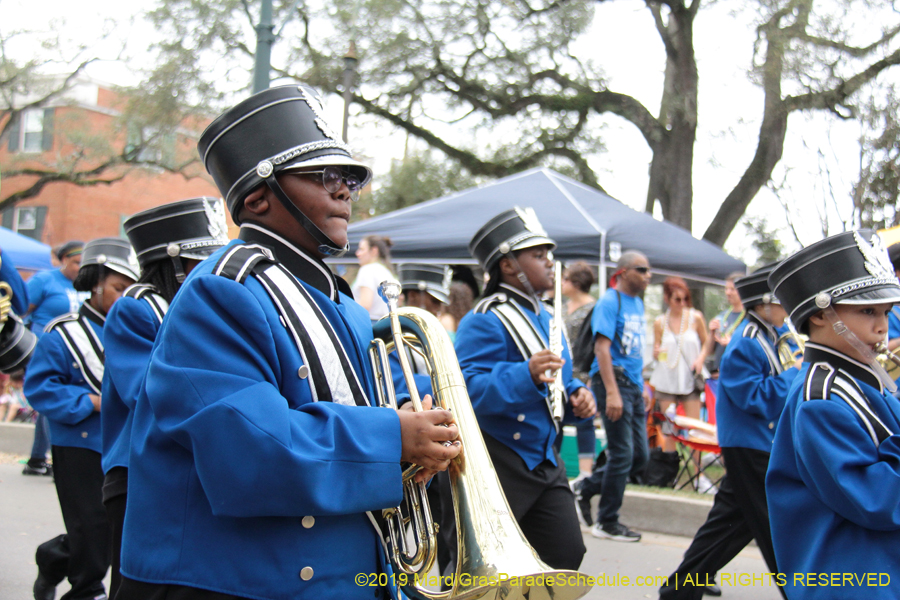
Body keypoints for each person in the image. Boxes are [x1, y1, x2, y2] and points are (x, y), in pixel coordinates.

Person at [117, 85, 460, 600]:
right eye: (326, 177)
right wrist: (393, 437)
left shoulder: (339, 298)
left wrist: (417, 420)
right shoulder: (221, 290)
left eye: (349, 180)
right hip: (237, 580)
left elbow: (367, 405)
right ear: (257, 197)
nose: (345, 190)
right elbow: (249, 451)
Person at [101, 197, 229, 598]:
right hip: (138, 469)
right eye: (200, 262)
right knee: (137, 583)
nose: (212, 270)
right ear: (173, 266)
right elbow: (150, 391)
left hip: (185, 464)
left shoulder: (202, 310)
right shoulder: (136, 309)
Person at [454, 206, 595, 570]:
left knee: (565, 555)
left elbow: (558, 375)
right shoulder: (483, 319)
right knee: (481, 567)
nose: (550, 262)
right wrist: (525, 374)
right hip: (501, 460)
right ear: (508, 265)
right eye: (538, 255)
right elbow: (467, 390)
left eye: (548, 254)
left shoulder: (548, 315)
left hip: (546, 457)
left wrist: (577, 390)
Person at [766, 230, 900, 599]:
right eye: (868, 311)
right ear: (822, 316)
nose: (882, 326)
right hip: (856, 580)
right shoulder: (821, 399)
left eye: (886, 312)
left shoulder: (862, 379)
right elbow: (876, 500)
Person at [658, 264, 796, 599]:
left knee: (732, 524)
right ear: (763, 304)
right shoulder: (747, 342)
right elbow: (754, 398)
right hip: (749, 444)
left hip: (758, 442)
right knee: (771, 525)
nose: (787, 306)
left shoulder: (769, 336)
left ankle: (679, 589)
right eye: (781, 301)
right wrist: (797, 376)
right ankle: (804, 591)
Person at [25, 237, 139, 600]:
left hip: (125, 444)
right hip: (80, 443)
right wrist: (91, 402)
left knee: (112, 529)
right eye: (119, 288)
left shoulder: (139, 330)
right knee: (91, 527)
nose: (124, 297)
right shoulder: (63, 333)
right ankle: (84, 591)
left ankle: (54, 559)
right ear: (97, 283)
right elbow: (40, 389)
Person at [575, 251, 651, 542]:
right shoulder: (610, 301)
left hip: (632, 384)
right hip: (612, 382)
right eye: (641, 270)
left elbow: (635, 350)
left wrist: (641, 385)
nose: (648, 275)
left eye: (648, 271)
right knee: (622, 454)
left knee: (639, 456)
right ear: (623, 272)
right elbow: (602, 350)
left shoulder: (638, 304)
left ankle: (585, 487)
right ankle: (607, 521)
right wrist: (612, 393)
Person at [22, 240, 85, 477]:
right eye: (76, 262)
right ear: (63, 260)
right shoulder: (44, 281)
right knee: (52, 398)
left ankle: (37, 458)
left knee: (51, 405)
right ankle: (58, 459)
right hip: (45, 348)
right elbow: (21, 310)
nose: (80, 268)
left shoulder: (88, 283)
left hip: (78, 351)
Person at [649, 276, 710, 490]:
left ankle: (698, 474)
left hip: (689, 379)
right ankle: (669, 473)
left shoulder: (695, 317)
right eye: (677, 299)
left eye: (685, 299)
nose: (682, 303)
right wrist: (656, 353)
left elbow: (706, 343)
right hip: (667, 379)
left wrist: (701, 359)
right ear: (667, 298)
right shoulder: (660, 322)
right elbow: (657, 352)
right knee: (668, 427)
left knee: (695, 428)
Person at [560, 261, 597, 482]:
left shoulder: (594, 308)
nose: (562, 283)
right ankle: (554, 465)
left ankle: (585, 473)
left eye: (565, 279)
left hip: (583, 372)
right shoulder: (562, 307)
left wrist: (592, 378)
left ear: (575, 282)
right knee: (557, 420)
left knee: (585, 420)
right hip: (562, 372)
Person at [701, 271, 746, 376]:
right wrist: (712, 334)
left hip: (737, 374)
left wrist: (732, 343)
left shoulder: (748, 317)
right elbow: (709, 350)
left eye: (732, 289)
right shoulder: (722, 316)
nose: (728, 293)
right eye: (726, 289)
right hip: (718, 375)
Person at [353, 235, 398, 321]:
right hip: (387, 323)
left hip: (369, 324)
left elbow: (365, 305)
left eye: (361, 249)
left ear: (374, 251)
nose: (357, 253)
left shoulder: (367, 270)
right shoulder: (387, 272)